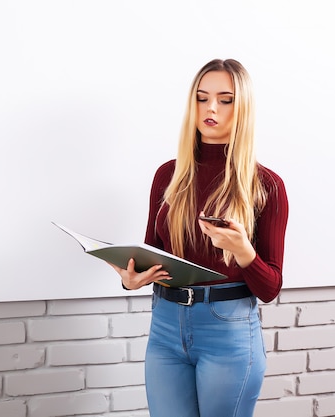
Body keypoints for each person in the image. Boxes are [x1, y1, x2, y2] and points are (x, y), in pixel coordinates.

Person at [109, 58, 289, 417]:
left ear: (243, 108)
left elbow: (270, 289)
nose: (210, 108)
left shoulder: (266, 186)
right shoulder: (168, 175)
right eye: (201, 98)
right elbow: (153, 251)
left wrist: (244, 253)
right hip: (165, 325)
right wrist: (133, 278)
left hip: (228, 330)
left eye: (225, 100)